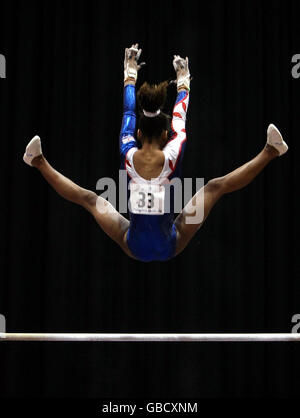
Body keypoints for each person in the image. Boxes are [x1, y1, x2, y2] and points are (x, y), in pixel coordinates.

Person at [23, 44, 288, 262]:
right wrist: (183, 80)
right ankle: (270, 152)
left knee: (89, 200)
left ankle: (38, 161)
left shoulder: (127, 148)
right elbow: (179, 117)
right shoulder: (173, 150)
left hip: (134, 243)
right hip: (169, 244)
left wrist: (130, 73)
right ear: (164, 135)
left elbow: (129, 113)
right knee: (214, 188)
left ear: (138, 133)